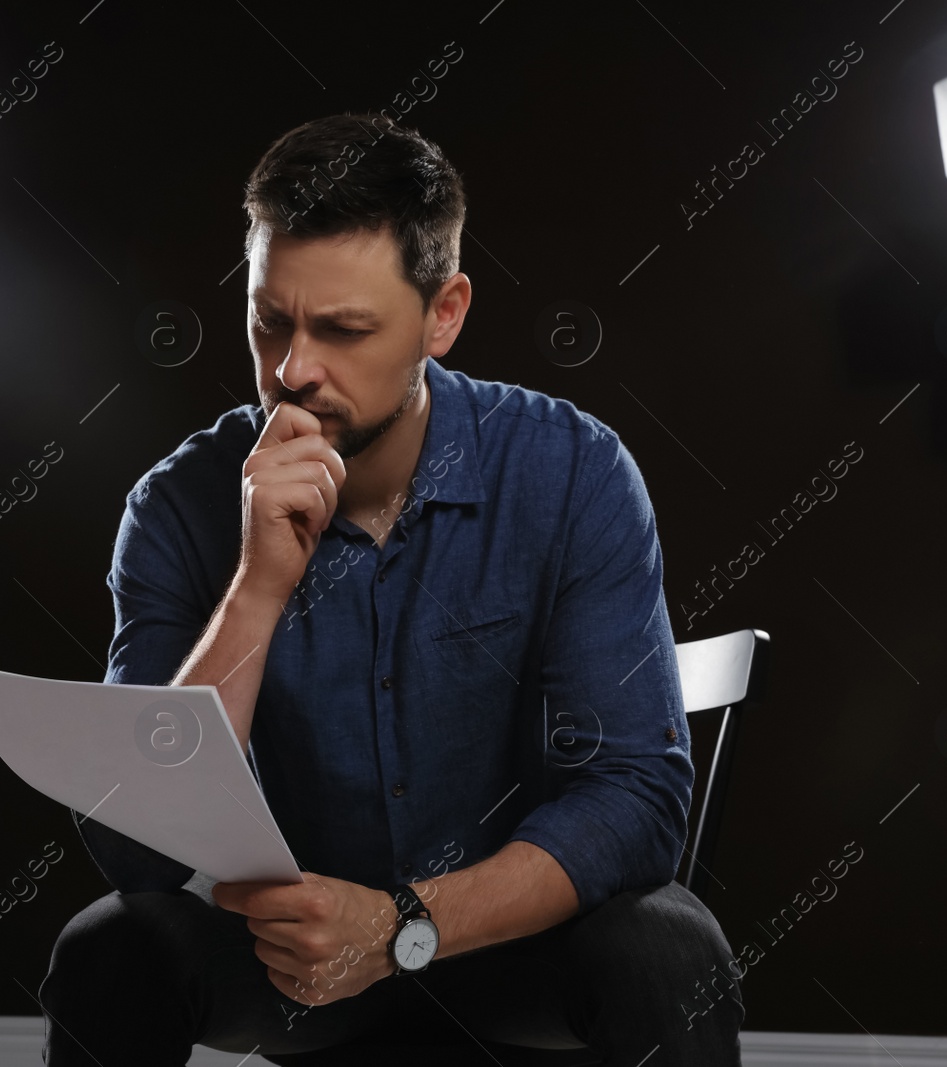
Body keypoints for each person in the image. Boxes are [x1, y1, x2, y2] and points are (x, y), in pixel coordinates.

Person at [38, 112, 745, 1066]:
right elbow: (139, 854)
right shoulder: (178, 504)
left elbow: (635, 796)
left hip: (515, 948)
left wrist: (403, 923)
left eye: (343, 330)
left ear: (443, 315)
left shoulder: (572, 469)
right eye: (268, 322)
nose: (293, 371)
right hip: (299, 967)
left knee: (672, 947)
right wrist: (257, 585)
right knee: (110, 949)